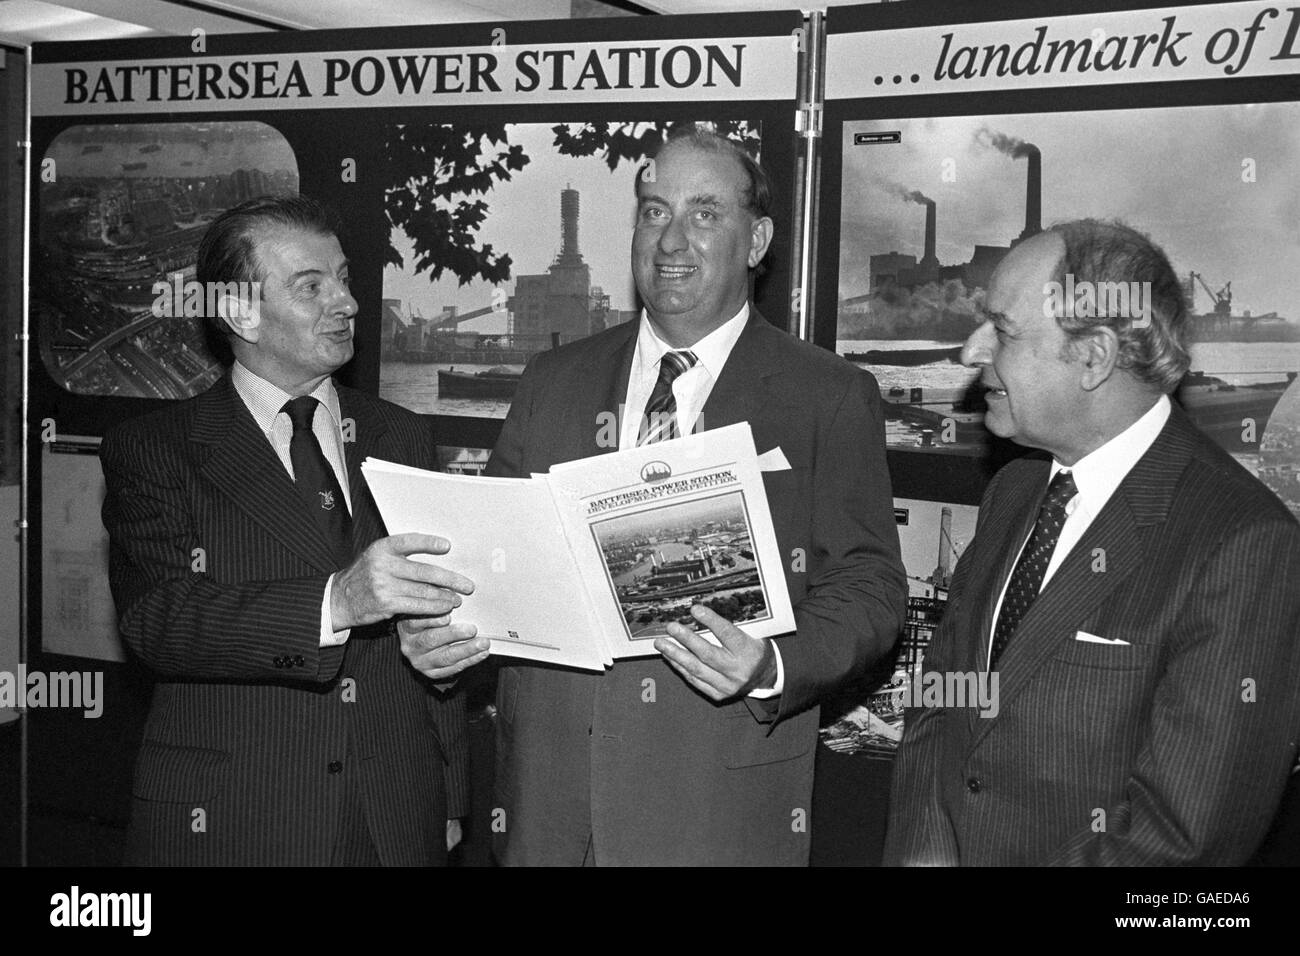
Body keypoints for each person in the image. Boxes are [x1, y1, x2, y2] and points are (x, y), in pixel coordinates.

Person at [486, 128, 906, 865]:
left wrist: (771, 663)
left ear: (758, 239)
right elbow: (498, 563)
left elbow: (869, 587)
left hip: (720, 813)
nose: (672, 240)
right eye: (654, 211)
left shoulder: (828, 397)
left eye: (705, 213)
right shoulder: (553, 381)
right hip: (549, 809)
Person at [884, 219, 1300, 866]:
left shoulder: (1244, 545)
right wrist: (924, 851)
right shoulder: (1015, 492)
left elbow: (1182, 842)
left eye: (1004, 331)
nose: (970, 353)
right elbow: (946, 694)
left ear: (1094, 357)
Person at [101, 195, 488, 866]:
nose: (347, 302)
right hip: (235, 819)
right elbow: (159, 623)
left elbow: (441, 622)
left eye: (342, 277)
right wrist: (335, 602)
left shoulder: (404, 435)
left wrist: (449, 793)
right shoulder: (156, 449)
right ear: (239, 311)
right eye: (312, 285)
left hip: (396, 816)